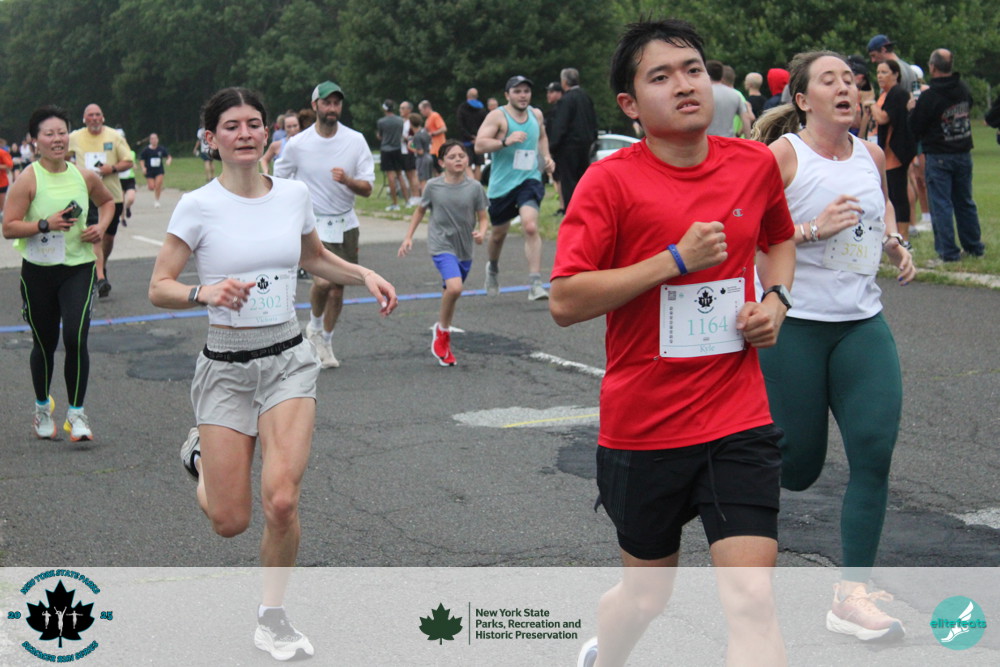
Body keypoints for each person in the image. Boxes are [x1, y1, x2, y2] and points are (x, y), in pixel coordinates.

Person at [551, 20, 796, 667]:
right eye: (660, 77)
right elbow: (565, 300)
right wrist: (674, 260)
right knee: (646, 595)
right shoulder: (609, 182)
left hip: (737, 417)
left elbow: (779, 238)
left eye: (693, 70)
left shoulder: (752, 165)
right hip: (645, 428)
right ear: (629, 104)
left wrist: (776, 300)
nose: (685, 85)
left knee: (752, 599)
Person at [148, 87, 397, 661]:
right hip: (225, 367)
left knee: (282, 502)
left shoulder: (292, 194)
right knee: (229, 521)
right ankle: (200, 458)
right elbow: (159, 286)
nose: (244, 133)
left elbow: (313, 257)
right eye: (231, 125)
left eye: (253, 124)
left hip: (288, 359)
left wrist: (363, 273)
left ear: (267, 133)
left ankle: (273, 616)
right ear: (210, 138)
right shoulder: (197, 205)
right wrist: (203, 292)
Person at [751, 50, 916, 643]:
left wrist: (892, 239)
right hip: (795, 325)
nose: (846, 87)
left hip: (861, 324)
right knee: (797, 468)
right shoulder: (783, 157)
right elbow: (747, 234)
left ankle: (852, 595)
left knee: (874, 451)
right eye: (830, 80)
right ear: (803, 100)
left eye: (850, 79)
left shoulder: (870, 154)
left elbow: (881, 203)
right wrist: (813, 229)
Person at [2, 105, 114, 441]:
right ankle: (42, 407)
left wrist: (101, 227)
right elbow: (9, 227)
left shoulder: (84, 176)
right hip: (38, 272)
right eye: (49, 134)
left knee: (76, 338)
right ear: (35, 141)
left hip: (78, 268)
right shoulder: (28, 179)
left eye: (62, 133)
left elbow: (108, 202)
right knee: (45, 342)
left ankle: (76, 414)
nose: (57, 139)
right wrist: (44, 224)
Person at [275, 80, 376, 369]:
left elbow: (368, 188)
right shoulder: (298, 144)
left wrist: (348, 180)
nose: (332, 108)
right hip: (313, 223)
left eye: (336, 103)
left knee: (338, 288)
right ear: (315, 105)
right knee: (323, 282)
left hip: (345, 223)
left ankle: (326, 340)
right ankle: (315, 327)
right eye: (327, 103)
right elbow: (279, 178)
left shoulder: (355, 140)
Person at [398, 139, 488, 366]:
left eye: (462, 156)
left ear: (467, 159)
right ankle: (443, 333)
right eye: (452, 157)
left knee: (451, 291)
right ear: (441, 162)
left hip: (464, 248)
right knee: (455, 287)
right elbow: (420, 211)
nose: (458, 159)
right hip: (441, 244)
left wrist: (481, 232)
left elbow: (483, 217)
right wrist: (408, 237)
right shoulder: (433, 186)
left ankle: (442, 328)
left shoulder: (475, 188)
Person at [475, 75, 555, 301]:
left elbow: (542, 137)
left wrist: (547, 158)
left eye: (526, 91)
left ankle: (535, 284)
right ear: (507, 95)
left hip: (529, 179)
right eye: (517, 91)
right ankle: (492, 268)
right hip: (502, 185)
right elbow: (479, 145)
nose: (522, 96)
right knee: (498, 235)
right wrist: (504, 142)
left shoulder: (536, 114)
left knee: (530, 226)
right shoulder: (498, 116)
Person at [909, 48, 985, 262]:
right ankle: (973, 246)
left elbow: (915, 127)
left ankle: (948, 252)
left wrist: (912, 109)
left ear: (932, 67)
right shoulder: (962, 88)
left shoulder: (930, 96)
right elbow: (969, 104)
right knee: (965, 202)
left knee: (941, 204)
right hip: (963, 152)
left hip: (939, 155)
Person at [68, 103, 132, 298]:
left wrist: (111, 168)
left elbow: (128, 161)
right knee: (95, 233)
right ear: (84, 119)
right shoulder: (75, 137)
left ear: (103, 118)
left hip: (112, 196)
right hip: (86, 196)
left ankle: (100, 266)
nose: (94, 118)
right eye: (90, 115)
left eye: (97, 115)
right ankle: (100, 276)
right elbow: (60, 156)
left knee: (108, 238)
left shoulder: (114, 136)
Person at [867, 58, 916, 241]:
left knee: (897, 194)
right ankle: (892, 233)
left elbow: (883, 118)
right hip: (885, 151)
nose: (880, 76)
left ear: (896, 74)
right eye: (878, 72)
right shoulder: (886, 94)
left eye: (884, 72)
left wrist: (870, 103)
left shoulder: (898, 94)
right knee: (889, 195)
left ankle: (903, 236)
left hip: (896, 152)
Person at [547, 67, 597, 209]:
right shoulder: (586, 97)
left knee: (568, 181)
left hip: (568, 147)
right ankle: (586, 207)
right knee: (583, 181)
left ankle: (572, 210)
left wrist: (552, 146)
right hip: (586, 146)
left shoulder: (566, 100)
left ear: (564, 82)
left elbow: (560, 125)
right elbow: (593, 121)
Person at [706, 60, 752, 137]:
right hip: (729, 139)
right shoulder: (735, 95)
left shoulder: (704, 94)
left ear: (707, 74)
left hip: (709, 139)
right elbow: (746, 119)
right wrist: (748, 140)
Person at [376, 99, 407, 211]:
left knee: (390, 177)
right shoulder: (400, 120)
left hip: (386, 150)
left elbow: (380, 136)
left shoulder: (381, 122)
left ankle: (395, 203)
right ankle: (407, 201)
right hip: (397, 149)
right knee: (400, 175)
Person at [456, 88, 488, 180]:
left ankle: (472, 184)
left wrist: (470, 137)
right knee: (478, 165)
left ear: (467, 96)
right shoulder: (481, 109)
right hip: (479, 140)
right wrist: (478, 137)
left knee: (467, 164)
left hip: (466, 141)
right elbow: (486, 124)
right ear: (477, 96)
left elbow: (460, 125)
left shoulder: (462, 108)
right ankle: (477, 184)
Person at [544, 82, 565, 214]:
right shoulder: (554, 110)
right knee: (557, 178)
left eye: (551, 92)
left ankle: (564, 206)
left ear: (559, 93)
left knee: (561, 178)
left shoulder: (562, 109)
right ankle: (562, 205)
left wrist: (552, 147)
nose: (548, 95)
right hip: (554, 149)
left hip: (560, 150)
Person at [139, 133, 172, 209]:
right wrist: (143, 168)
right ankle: (155, 187)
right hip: (149, 171)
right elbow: (141, 159)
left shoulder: (161, 149)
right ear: (150, 140)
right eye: (152, 139)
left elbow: (169, 156)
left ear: (158, 140)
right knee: (151, 187)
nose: (154, 140)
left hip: (159, 170)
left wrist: (169, 160)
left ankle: (157, 200)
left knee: (158, 185)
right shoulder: (146, 150)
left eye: (155, 138)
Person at [399, 101, 422, 206]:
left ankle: (416, 196)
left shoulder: (410, 123)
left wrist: (407, 141)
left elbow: (412, 138)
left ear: (409, 110)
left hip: (410, 151)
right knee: (408, 174)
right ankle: (413, 195)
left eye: (403, 108)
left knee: (413, 174)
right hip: (403, 151)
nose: (400, 110)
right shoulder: (402, 122)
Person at [409, 112, 433, 194]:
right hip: (429, 157)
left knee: (422, 181)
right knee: (428, 180)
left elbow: (420, 151)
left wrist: (411, 148)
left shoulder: (417, 136)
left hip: (422, 159)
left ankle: (424, 198)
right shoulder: (425, 132)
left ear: (411, 123)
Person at [116, 130, 137, 222]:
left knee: (131, 198)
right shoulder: (114, 154)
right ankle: (122, 218)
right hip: (118, 179)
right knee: (121, 200)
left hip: (129, 178)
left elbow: (132, 163)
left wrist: (134, 165)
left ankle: (127, 207)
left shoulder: (131, 153)